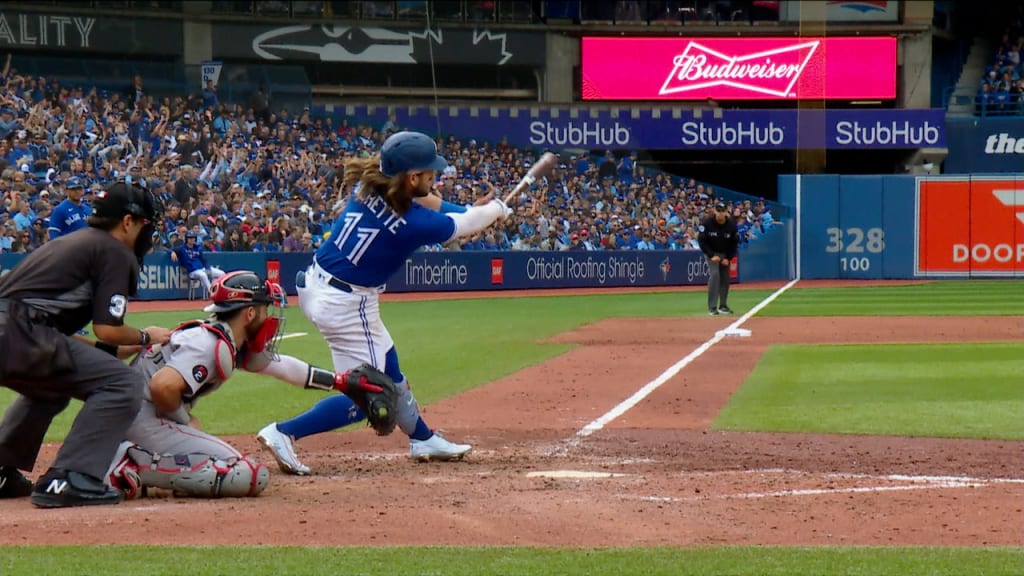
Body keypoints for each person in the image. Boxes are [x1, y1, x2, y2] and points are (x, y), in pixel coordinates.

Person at [257, 130, 514, 474]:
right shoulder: (411, 222)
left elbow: (438, 206)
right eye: (429, 174)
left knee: (389, 365)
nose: (434, 178)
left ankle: (423, 438)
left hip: (322, 284)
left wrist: (479, 209)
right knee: (371, 394)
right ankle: (284, 432)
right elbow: (463, 224)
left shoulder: (371, 186)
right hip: (346, 303)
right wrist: (495, 209)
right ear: (412, 177)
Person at [106, 271, 391, 499]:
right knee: (246, 473)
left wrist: (340, 382)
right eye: (265, 307)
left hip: (131, 415)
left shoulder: (226, 341)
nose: (270, 316)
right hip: (142, 417)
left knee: (230, 467)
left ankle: (129, 457)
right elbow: (162, 387)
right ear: (250, 313)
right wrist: (183, 420)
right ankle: (132, 465)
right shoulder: (210, 344)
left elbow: (283, 367)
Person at [0, 182, 172, 508]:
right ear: (127, 222)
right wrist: (146, 337)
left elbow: (57, 334)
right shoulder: (114, 250)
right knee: (123, 382)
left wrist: (110, 351)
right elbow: (108, 329)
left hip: (17, 332)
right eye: (144, 224)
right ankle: (70, 477)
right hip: (21, 333)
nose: (146, 233)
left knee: (52, 386)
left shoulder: (75, 241)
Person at [698, 201, 739, 316]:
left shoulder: (731, 224)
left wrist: (728, 258)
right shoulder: (707, 223)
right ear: (715, 211)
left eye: (723, 211)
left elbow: (734, 243)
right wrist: (711, 255)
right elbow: (702, 241)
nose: (720, 214)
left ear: (726, 212)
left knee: (725, 278)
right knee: (715, 275)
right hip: (711, 253)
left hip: (724, 253)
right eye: (718, 211)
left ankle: (723, 305)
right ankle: (712, 307)